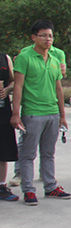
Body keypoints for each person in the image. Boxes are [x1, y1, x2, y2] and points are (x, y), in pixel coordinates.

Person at [10, 20, 71, 205]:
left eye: (50, 35)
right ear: (34, 37)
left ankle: (50, 186)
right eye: (43, 35)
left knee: (48, 153)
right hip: (33, 113)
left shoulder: (54, 59)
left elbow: (59, 89)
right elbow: (18, 86)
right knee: (28, 154)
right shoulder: (25, 57)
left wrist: (62, 115)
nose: (48, 39)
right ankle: (28, 190)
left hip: (52, 113)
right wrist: (15, 113)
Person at [0, 52, 18, 201]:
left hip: (3, 112)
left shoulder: (4, 58)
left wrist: (6, 90)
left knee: (3, 151)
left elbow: (13, 81)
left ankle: (1, 187)